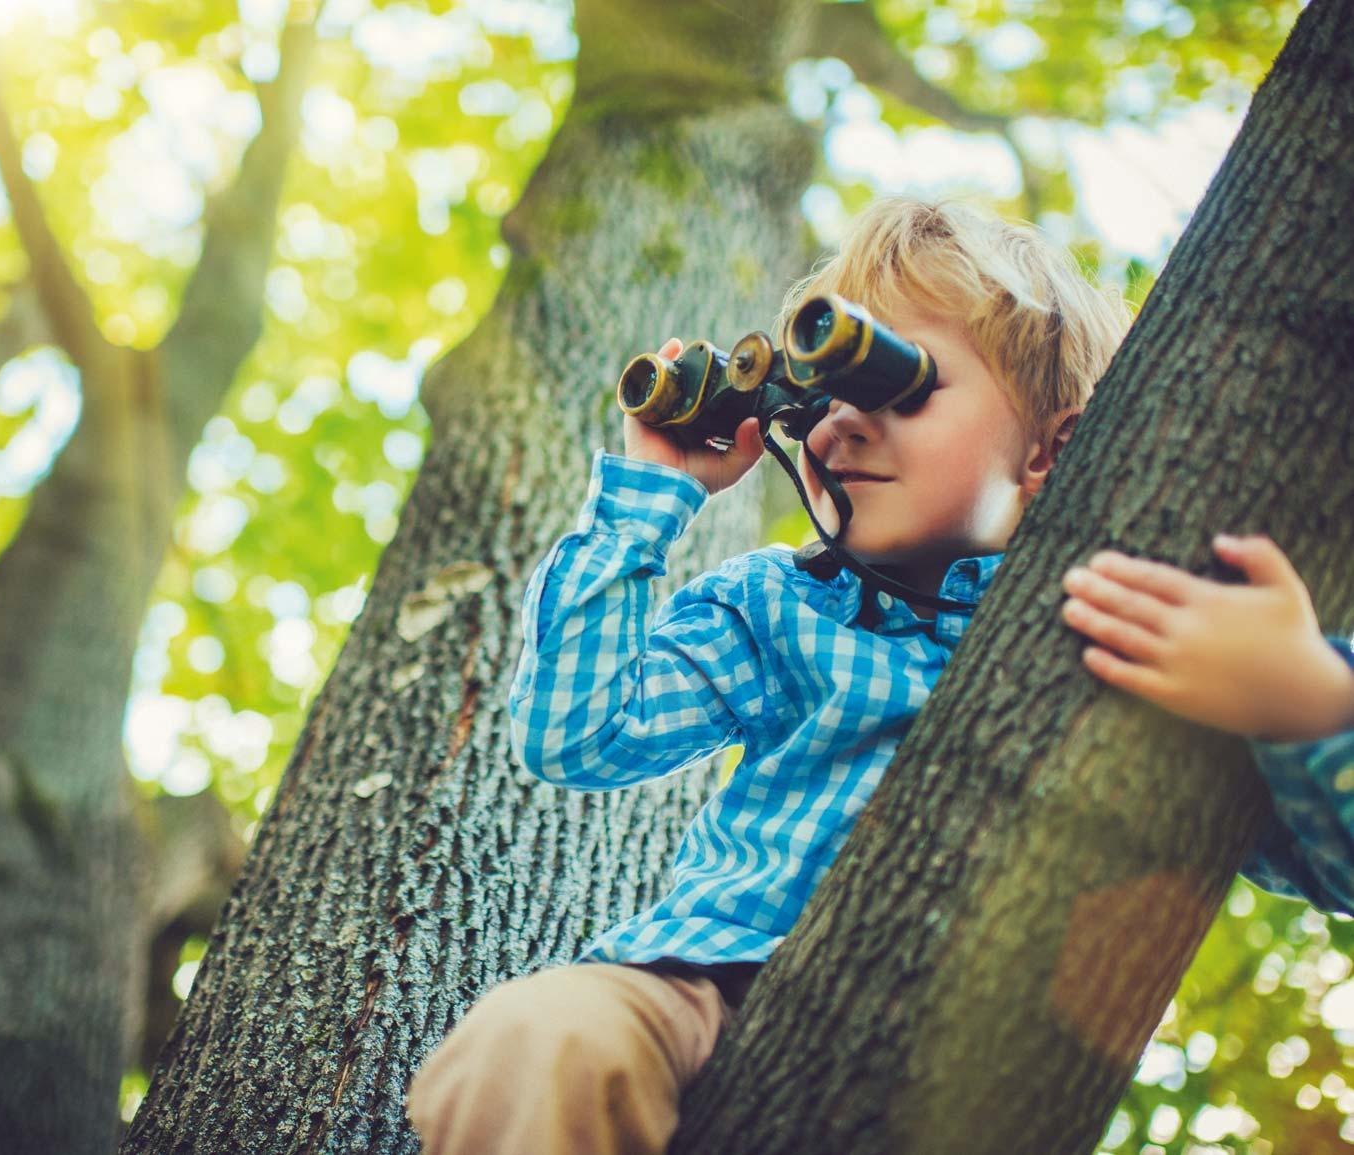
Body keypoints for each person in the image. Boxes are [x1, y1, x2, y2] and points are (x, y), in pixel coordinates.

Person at [403, 197, 1354, 1155]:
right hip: (704, 1001)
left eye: (898, 383)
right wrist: (654, 495)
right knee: (538, 1037)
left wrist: (1302, 696)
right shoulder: (784, 604)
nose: (836, 430)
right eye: (816, 403)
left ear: (1051, 449)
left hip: (961, 1083)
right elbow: (577, 732)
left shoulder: (1146, 643)